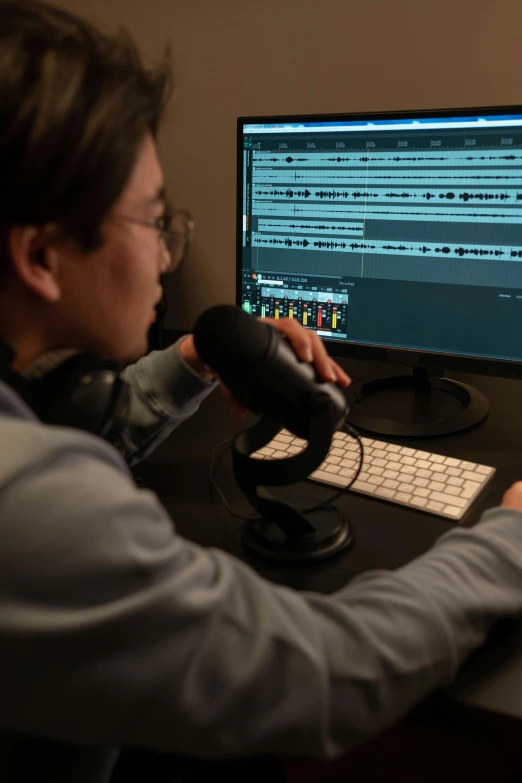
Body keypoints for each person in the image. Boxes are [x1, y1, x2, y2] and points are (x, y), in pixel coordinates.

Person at [0, 2, 521, 782]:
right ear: (41, 254)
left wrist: (196, 355)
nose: (170, 257)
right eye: (153, 220)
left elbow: (66, 419)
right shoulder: (29, 507)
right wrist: (510, 541)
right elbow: (321, 674)